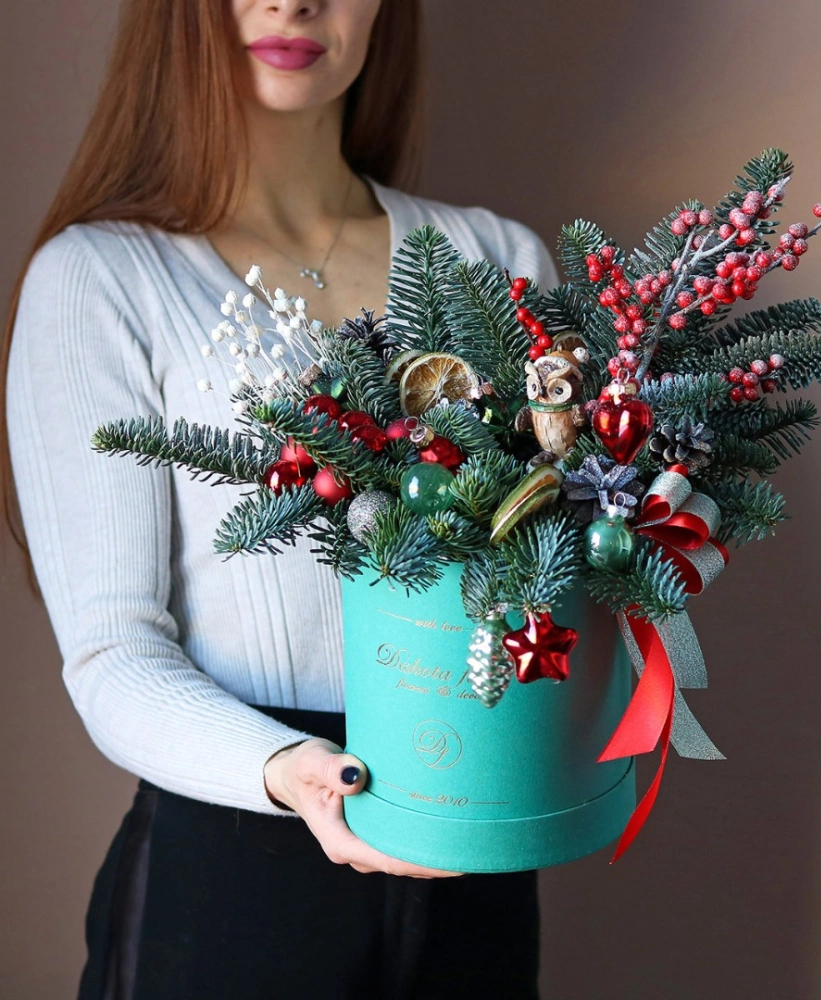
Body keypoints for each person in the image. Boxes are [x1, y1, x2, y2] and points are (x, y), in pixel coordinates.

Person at [1, 1, 559, 997]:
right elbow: (112, 650)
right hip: (232, 881)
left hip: (474, 844)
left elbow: (562, 563)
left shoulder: (496, 261)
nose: (292, 1)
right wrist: (288, 769)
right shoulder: (102, 278)